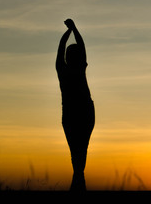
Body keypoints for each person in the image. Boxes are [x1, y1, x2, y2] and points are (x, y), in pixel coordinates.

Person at [56, 19, 95, 191]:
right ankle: (79, 180)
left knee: (76, 150)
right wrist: (74, 29)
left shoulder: (63, 69)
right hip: (82, 111)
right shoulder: (76, 68)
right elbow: (81, 46)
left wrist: (69, 32)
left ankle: (78, 180)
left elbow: (61, 48)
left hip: (76, 113)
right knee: (81, 149)